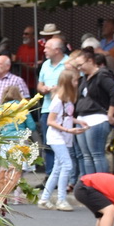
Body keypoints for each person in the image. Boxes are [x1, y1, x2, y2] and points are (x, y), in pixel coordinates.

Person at [38, 68, 84, 209]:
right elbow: (50, 121)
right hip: (57, 136)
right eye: (75, 80)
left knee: (58, 168)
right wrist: (68, 129)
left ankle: (45, 199)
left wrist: (78, 122)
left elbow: (66, 117)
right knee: (67, 165)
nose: (77, 83)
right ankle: (61, 199)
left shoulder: (67, 99)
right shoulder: (59, 100)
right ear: (69, 82)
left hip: (63, 136)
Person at [74, 50, 114, 176]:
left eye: (80, 65)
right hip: (82, 117)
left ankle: (102, 184)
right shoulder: (84, 78)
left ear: (90, 61)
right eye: (77, 66)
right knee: (86, 155)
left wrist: (110, 114)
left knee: (97, 154)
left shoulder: (102, 75)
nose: (79, 68)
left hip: (97, 117)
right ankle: (91, 184)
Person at [35, 35, 68, 176]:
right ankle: (49, 175)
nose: (44, 50)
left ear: (57, 50)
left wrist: (59, 89)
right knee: (47, 143)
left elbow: (74, 84)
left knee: (64, 144)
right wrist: (42, 89)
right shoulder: (45, 64)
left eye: (47, 48)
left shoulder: (68, 63)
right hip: (47, 108)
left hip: (63, 110)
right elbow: (39, 84)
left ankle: (65, 175)